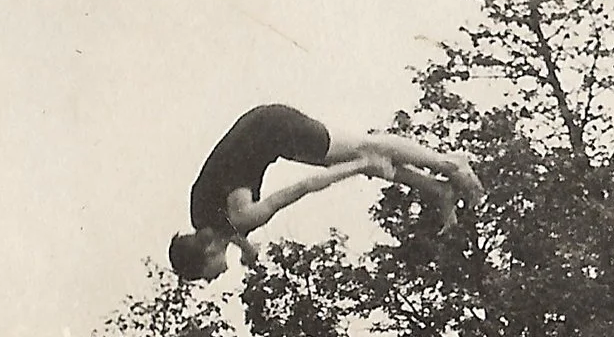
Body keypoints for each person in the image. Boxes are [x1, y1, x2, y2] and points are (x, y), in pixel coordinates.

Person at [168, 105, 484, 281]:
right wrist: (246, 249)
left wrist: (360, 168)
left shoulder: (244, 218)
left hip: (276, 129)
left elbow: (301, 188)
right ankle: (436, 190)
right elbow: (227, 225)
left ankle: (450, 165)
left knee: (365, 149)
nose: (210, 280)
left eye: (205, 275)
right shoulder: (201, 217)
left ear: (209, 254)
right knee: (355, 156)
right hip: (257, 123)